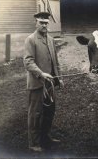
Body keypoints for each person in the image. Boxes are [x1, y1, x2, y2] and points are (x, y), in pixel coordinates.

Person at [23, 11, 64, 152]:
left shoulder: (51, 40)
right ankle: (34, 143)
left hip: (50, 84)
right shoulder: (31, 40)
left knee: (49, 111)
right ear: (36, 23)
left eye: (46, 23)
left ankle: (45, 137)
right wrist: (41, 73)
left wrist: (59, 78)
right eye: (41, 23)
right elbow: (28, 62)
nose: (44, 25)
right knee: (35, 114)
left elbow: (55, 62)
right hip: (37, 83)